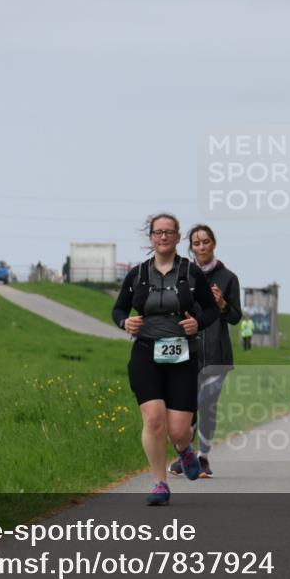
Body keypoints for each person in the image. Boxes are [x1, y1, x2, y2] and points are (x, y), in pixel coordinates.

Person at [111, 213, 219, 505]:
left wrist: (197, 324)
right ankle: (160, 483)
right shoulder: (138, 274)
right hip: (146, 353)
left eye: (168, 232)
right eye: (158, 232)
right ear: (150, 238)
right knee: (154, 420)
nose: (162, 237)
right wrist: (125, 323)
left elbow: (211, 311)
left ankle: (184, 450)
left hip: (182, 355)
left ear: (177, 237)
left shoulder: (191, 273)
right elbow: (118, 310)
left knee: (178, 429)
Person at [167, 224, 241, 479]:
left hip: (216, 354)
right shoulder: (182, 274)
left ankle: (204, 458)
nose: (201, 247)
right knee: (185, 408)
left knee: (207, 405)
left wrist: (222, 304)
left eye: (206, 242)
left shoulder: (229, 278)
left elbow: (235, 318)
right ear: (191, 247)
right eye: (196, 243)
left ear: (214, 243)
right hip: (186, 351)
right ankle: (185, 456)